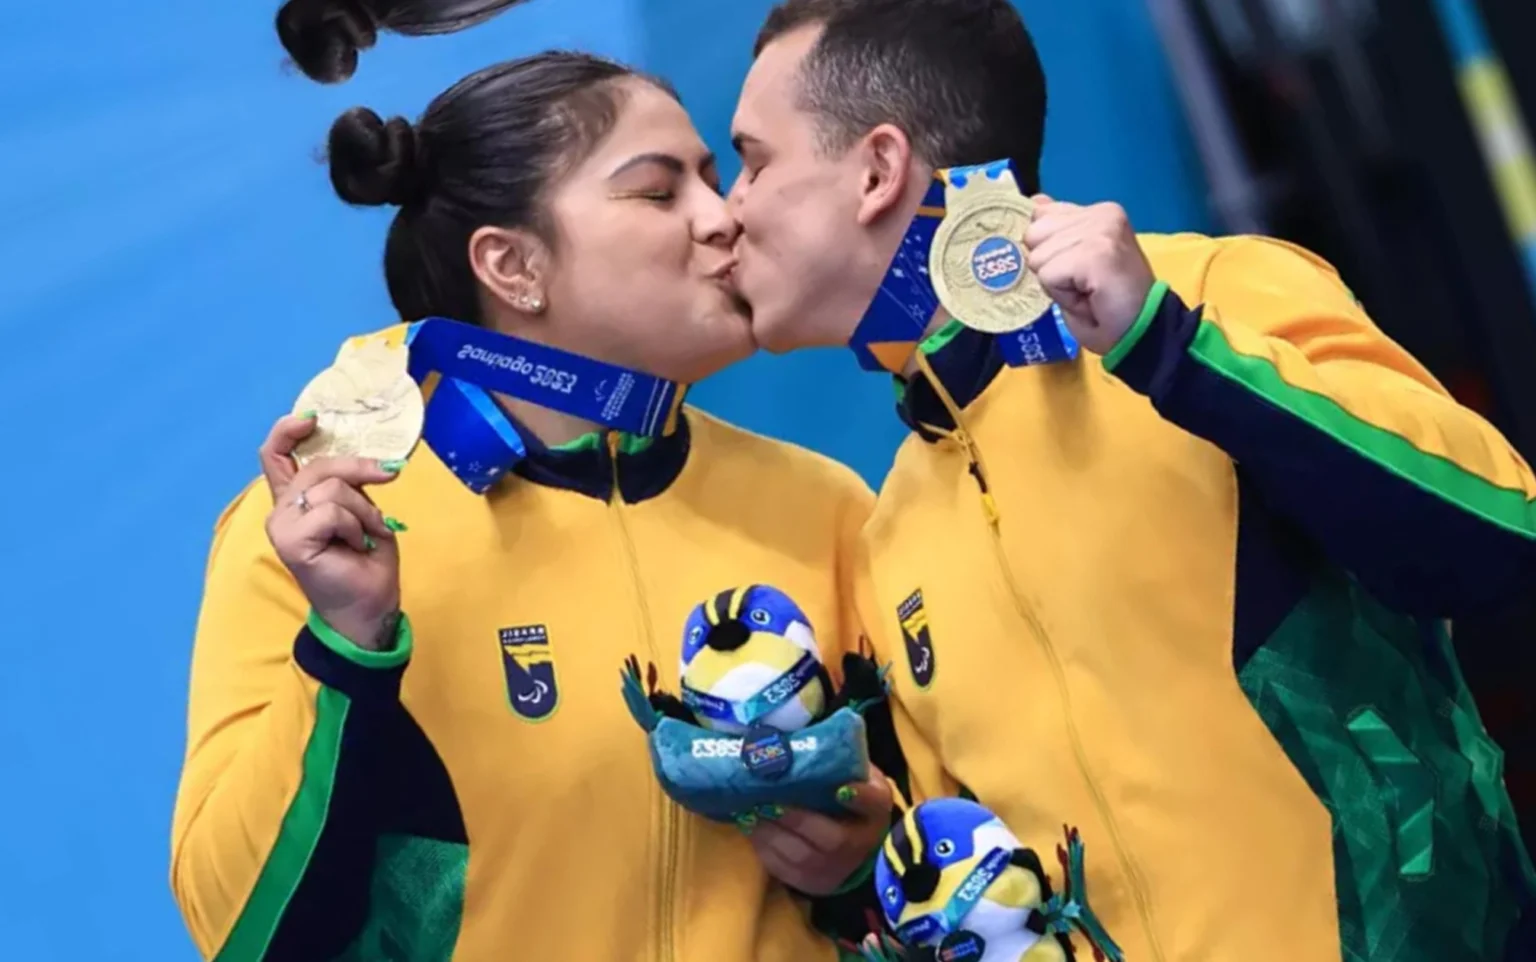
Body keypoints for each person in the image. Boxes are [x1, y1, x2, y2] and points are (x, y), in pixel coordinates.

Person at [725, 1, 1536, 960]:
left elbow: (1497, 541)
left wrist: (1170, 349)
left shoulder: (1212, 296)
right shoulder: (894, 529)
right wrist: (857, 871)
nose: (728, 209)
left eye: (752, 161)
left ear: (877, 169)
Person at [168, 12, 893, 961]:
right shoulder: (330, 530)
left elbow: (952, 878)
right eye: (658, 191)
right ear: (512, 265)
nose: (723, 218)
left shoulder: (826, 507)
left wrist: (863, 860)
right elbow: (242, 929)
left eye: (714, 178)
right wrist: (347, 650)